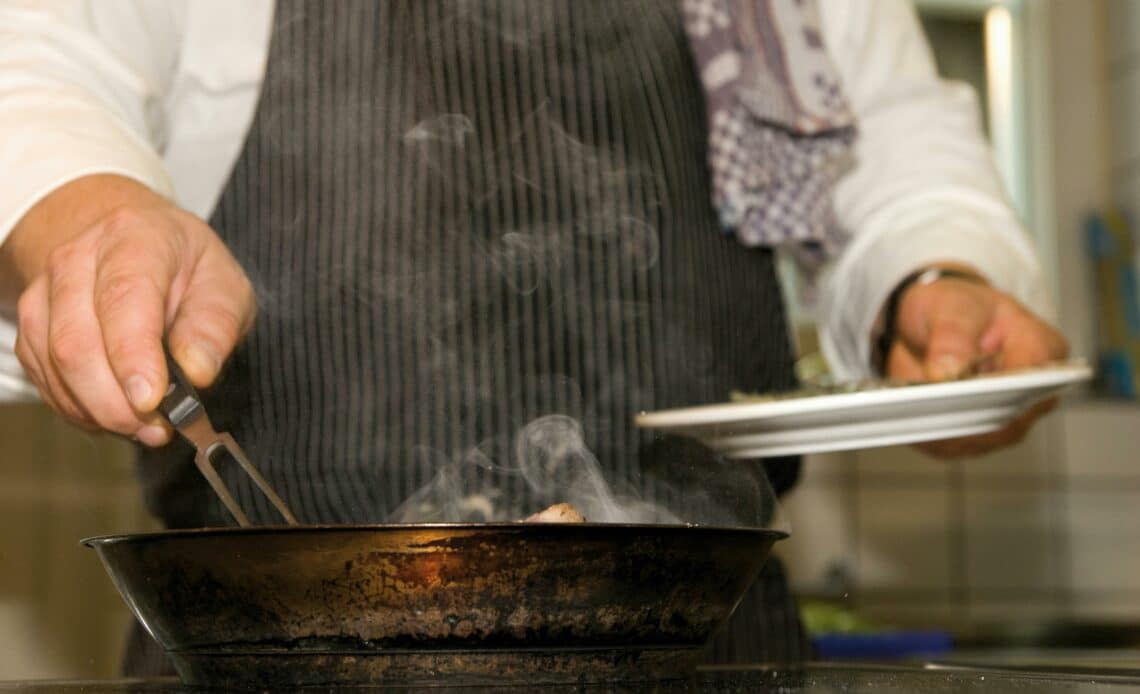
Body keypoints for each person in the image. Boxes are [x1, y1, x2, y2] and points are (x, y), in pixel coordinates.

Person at [0, 0, 1067, 673]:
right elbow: (38, 53)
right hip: (272, 657)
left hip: (709, 647)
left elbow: (889, 130)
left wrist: (935, 273)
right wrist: (92, 216)